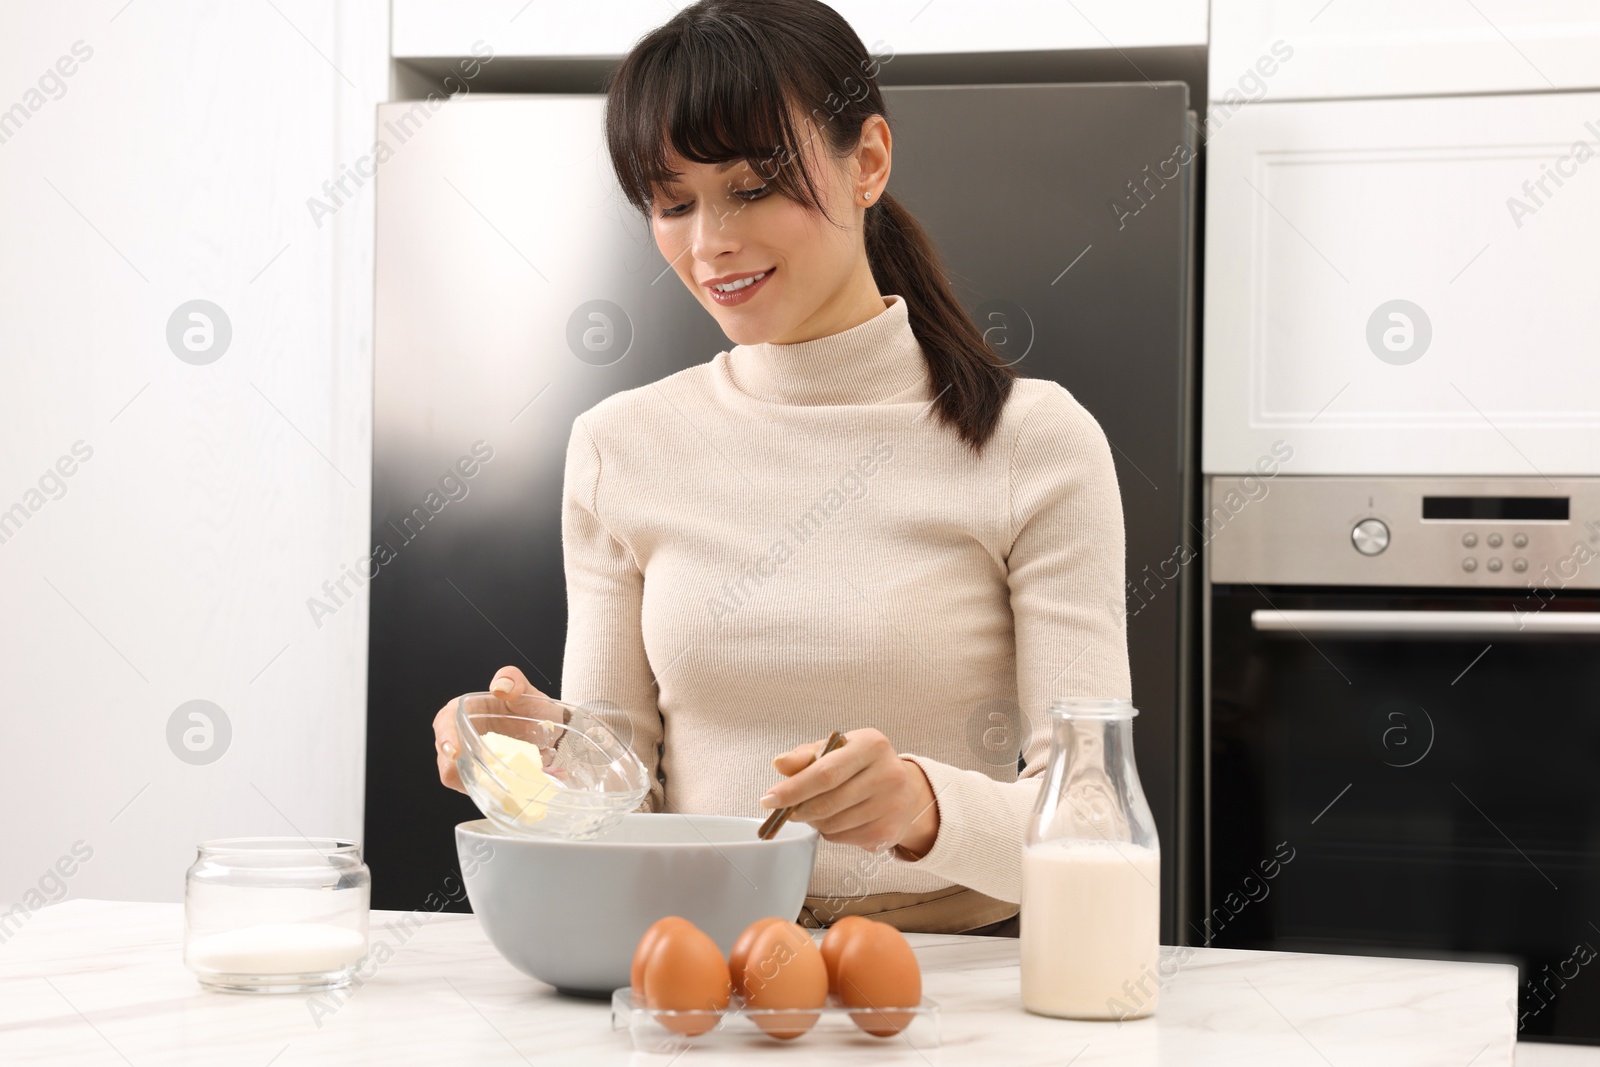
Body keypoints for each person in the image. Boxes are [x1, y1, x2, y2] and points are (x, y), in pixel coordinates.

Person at [433, 0, 1131, 936]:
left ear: (868, 162)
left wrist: (927, 809)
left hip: (956, 983)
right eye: (672, 202)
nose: (709, 241)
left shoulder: (1034, 441)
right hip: (696, 965)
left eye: (754, 185)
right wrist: (548, 756)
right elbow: (619, 811)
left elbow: (1096, 816)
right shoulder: (619, 445)